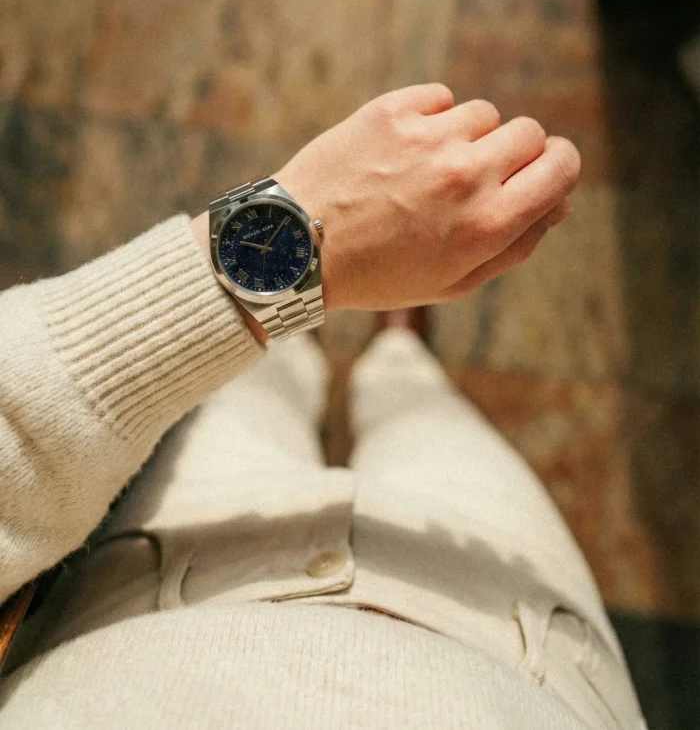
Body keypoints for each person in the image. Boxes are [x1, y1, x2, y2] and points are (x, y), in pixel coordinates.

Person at [0, 84, 645, 729]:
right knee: (420, 408)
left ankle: (298, 323)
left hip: (156, 580)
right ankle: (391, 341)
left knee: (252, 391)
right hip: (518, 639)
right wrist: (289, 240)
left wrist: (266, 263)